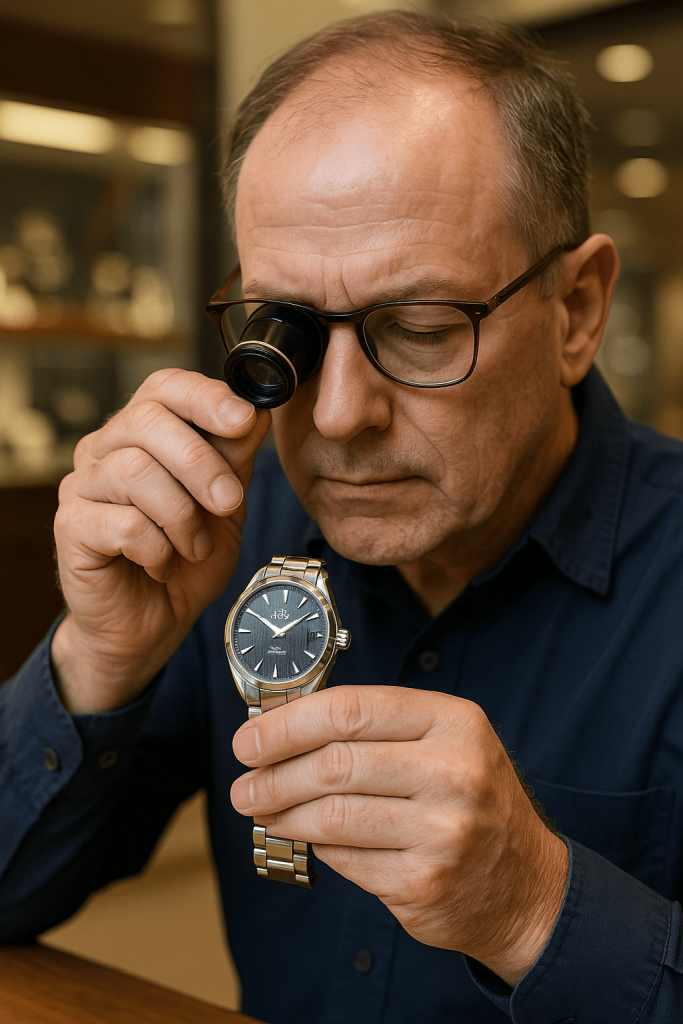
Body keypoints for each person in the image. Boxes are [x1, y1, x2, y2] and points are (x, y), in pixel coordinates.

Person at [2, 11, 683, 1022]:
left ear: (575, 309)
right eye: (292, 333)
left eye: (415, 331)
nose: (335, 415)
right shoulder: (230, 539)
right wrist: (97, 661)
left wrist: (535, 904)